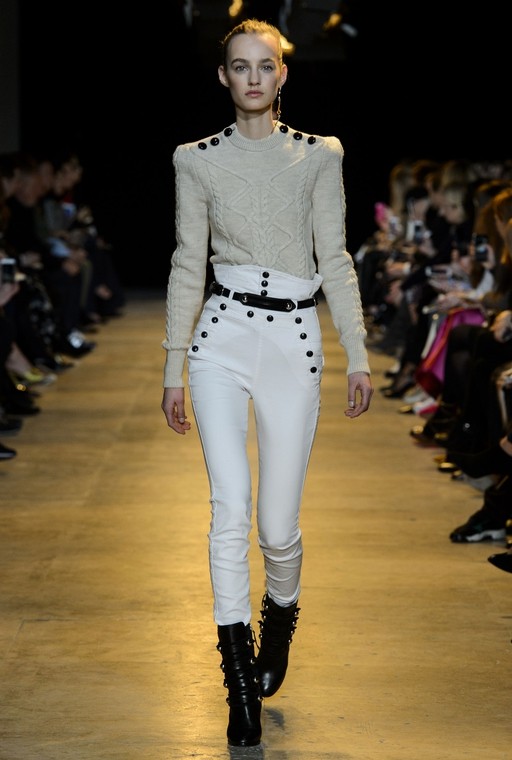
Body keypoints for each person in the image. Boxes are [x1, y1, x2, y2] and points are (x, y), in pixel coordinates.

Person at [160, 18, 372, 748]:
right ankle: (240, 684)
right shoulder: (196, 160)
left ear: (283, 74)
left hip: (293, 339)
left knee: (278, 530)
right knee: (230, 512)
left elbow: (335, 257)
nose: (253, 77)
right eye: (240, 66)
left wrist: (359, 353)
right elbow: (188, 262)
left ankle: (279, 617)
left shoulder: (319, 155)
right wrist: (173, 366)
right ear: (223, 75)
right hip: (221, 338)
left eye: (266, 65)